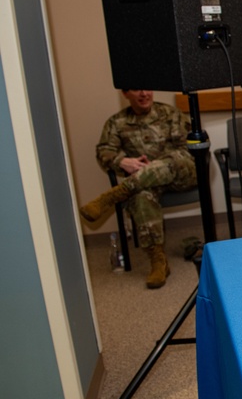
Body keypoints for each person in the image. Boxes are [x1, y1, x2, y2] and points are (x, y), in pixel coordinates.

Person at [79, 89, 197, 289]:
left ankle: (112, 196)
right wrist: (123, 161)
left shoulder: (170, 113)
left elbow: (186, 148)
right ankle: (158, 261)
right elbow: (104, 152)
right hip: (148, 182)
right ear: (125, 94)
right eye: (136, 90)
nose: (143, 94)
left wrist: (157, 164)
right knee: (141, 196)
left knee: (171, 160)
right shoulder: (117, 122)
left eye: (146, 88)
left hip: (180, 173)